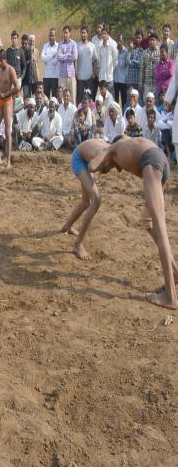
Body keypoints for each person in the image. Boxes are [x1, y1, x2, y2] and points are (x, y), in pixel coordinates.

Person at [89, 137, 177, 310]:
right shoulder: (127, 149)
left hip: (152, 162)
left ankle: (171, 297)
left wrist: (103, 152)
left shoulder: (113, 148)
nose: (102, 170)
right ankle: (175, 272)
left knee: (161, 229)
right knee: (147, 221)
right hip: (161, 162)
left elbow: (92, 165)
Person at [61, 139, 109, 260]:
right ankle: (78, 244)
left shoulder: (114, 150)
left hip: (86, 159)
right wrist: (94, 176)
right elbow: (92, 167)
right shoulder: (103, 155)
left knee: (85, 202)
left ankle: (67, 226)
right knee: (96, 200)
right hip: (79, 159)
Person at [0, 49, 20, 169]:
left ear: (5, 60)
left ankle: (8, 160)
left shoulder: (10, 70)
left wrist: (7, 94)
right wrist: (1, 95)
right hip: (0, 100)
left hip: (8, 101)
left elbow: (17, 87)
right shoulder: (0, 69)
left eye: (1, 61)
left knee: (8, 130)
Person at [76, 26, 99, 103]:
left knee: (89, 99)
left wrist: (94, 73)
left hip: (89, 77)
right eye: (81, 33)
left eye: (84, 33)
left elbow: (95, 60)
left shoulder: (92, 46)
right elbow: (74, 60)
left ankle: (89, 114)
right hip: (80, 77)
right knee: (79, 99)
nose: (83, 34)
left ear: (87, 34)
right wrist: (75, 72)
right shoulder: (77, 45)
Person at [57, 25, 78, 102]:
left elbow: (75, 57)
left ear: (70, 33)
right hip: (62, 75)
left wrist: (64, 56)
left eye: (66, 33)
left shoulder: (74, 44)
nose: (65, 34)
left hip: (71, 75)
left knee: (72, 97)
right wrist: (69, 54)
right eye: (64, 33)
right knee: (61, 97)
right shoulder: (60, 44)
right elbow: (59, 57)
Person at [97, 27, 118, 96]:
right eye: (102, 34)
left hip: (109, 78)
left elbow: (115, 62)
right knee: (101, 98)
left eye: (105, 34)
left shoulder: (112, 45)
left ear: (108, 35)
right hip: (102, 77)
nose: (103, 35)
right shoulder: (99, 46)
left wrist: (111, 71)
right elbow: (99, 61)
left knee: (111, 97)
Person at [41, 28, 59, 100]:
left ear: (55, 36)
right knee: (46, 98)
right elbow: (42, 58)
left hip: (55, 76)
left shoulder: (58, 46)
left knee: (54, 98)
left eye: (53, 35)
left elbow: (56, 60)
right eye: (50, 35)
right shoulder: (45, 46)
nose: (51, 37)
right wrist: (52, 56)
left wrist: (47, 60)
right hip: (46, 76)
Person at [140, 33, 160, 99]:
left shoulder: (160, 52)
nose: (151, 42)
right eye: (150, 40)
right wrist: (141, 84)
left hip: (156, 84)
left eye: (153, 40)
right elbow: (142, 69)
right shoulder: (144, 52)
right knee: (146, 102)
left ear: (157, 41)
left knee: (155, 103)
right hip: (147, 84)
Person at [114, 35, 129, 110]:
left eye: (120, 40)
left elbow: (127, 64)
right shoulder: (113, 50)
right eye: (117, 40)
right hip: (115, 79)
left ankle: (124, 115)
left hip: (123, 80)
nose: (119, 42)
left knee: (124, 101)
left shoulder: (126, 51)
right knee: (115, 100)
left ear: (122, 41)